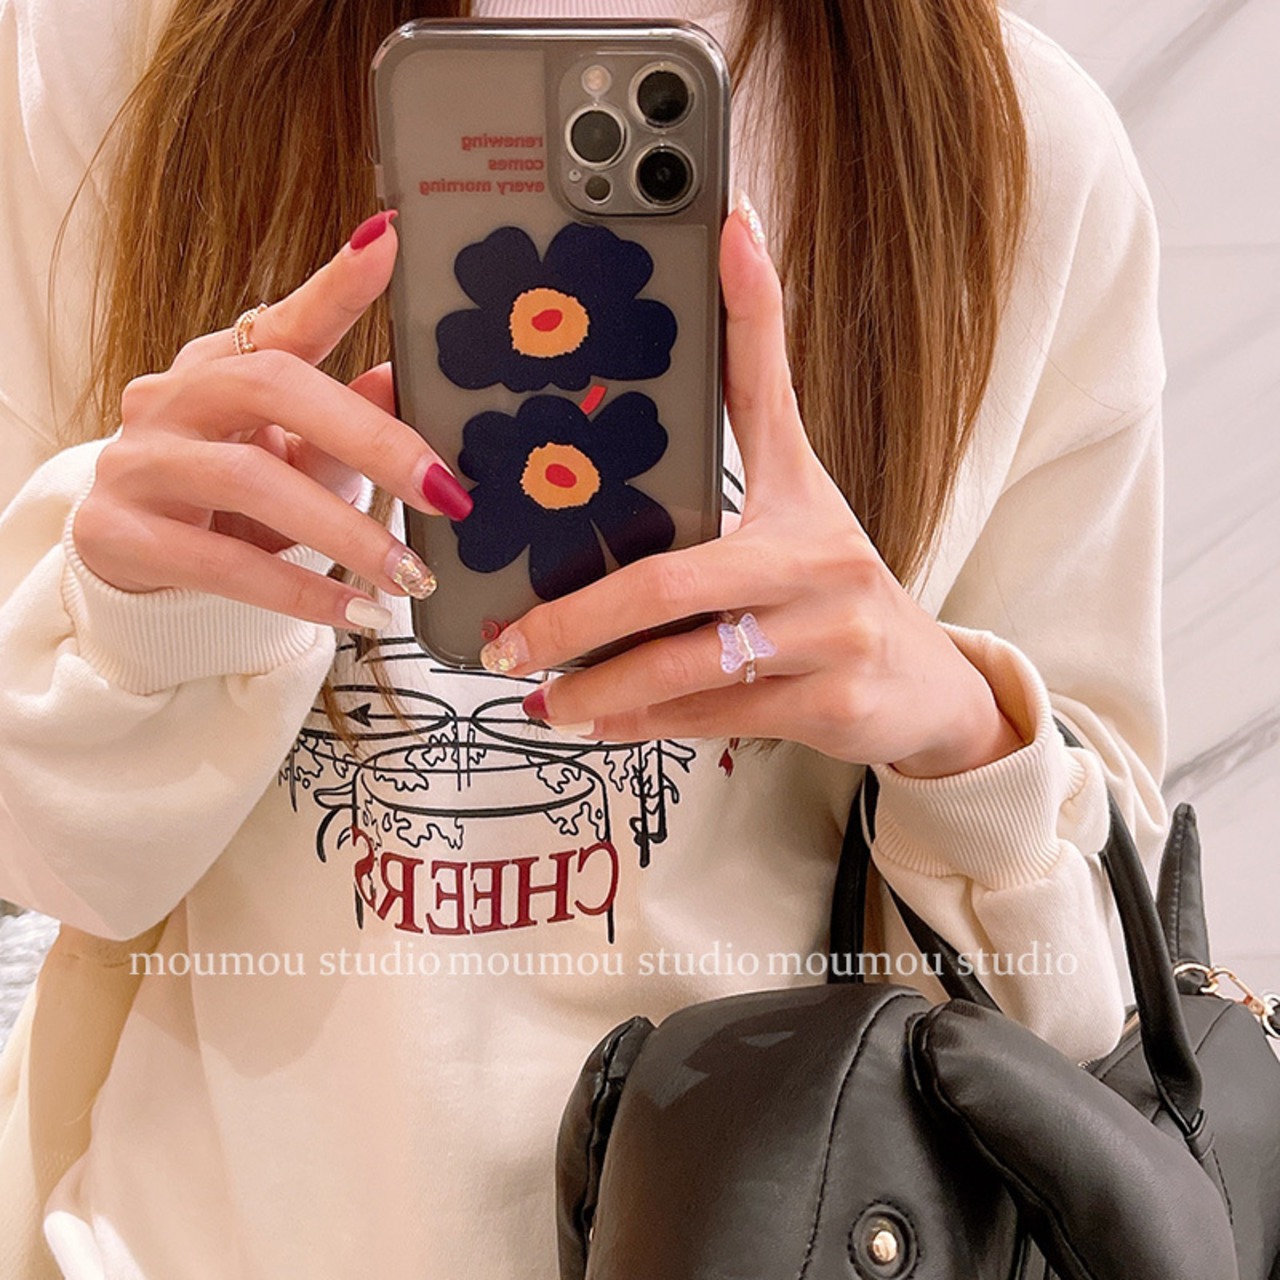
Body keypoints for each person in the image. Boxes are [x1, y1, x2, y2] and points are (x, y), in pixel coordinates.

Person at [0, 0, 1169, 1275]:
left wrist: (947, 728)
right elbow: (42, 857)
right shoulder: (113, 50)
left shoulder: (1013, 152)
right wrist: (138, 604)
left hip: (766, 1229)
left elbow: (1085, 1030)